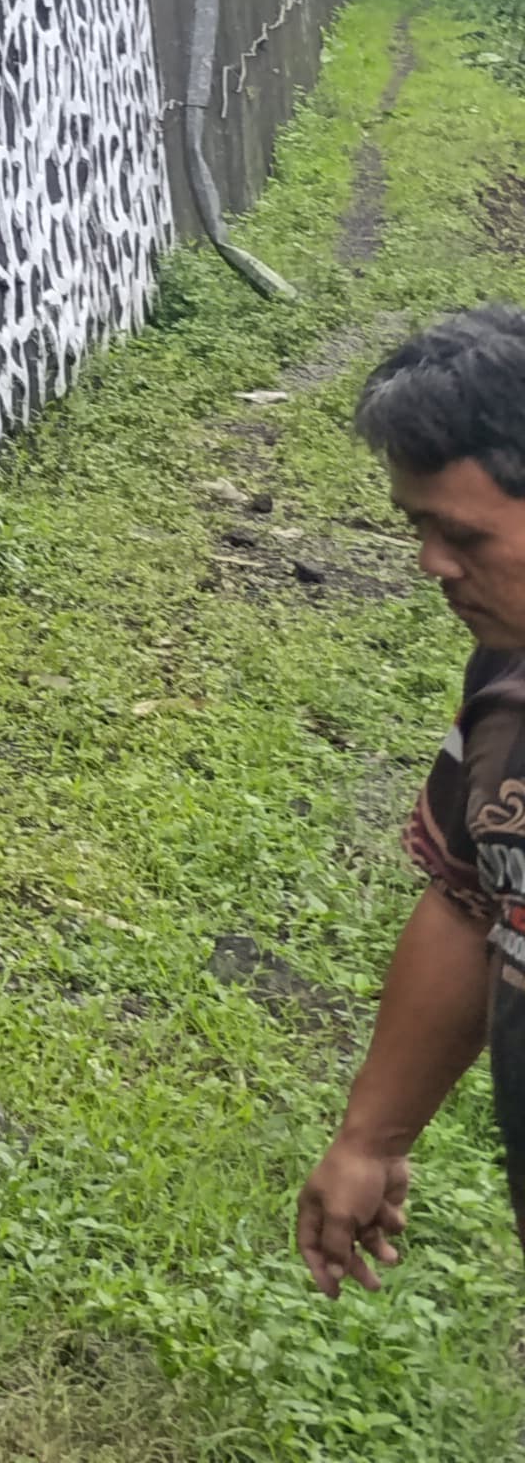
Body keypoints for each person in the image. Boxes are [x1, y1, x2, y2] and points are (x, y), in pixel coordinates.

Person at [301, 308, 525, 1298]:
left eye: (464, 535)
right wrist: (370, 1138)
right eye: (418, 527)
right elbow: (473, 897)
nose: (432, 564)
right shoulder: (506, 683)